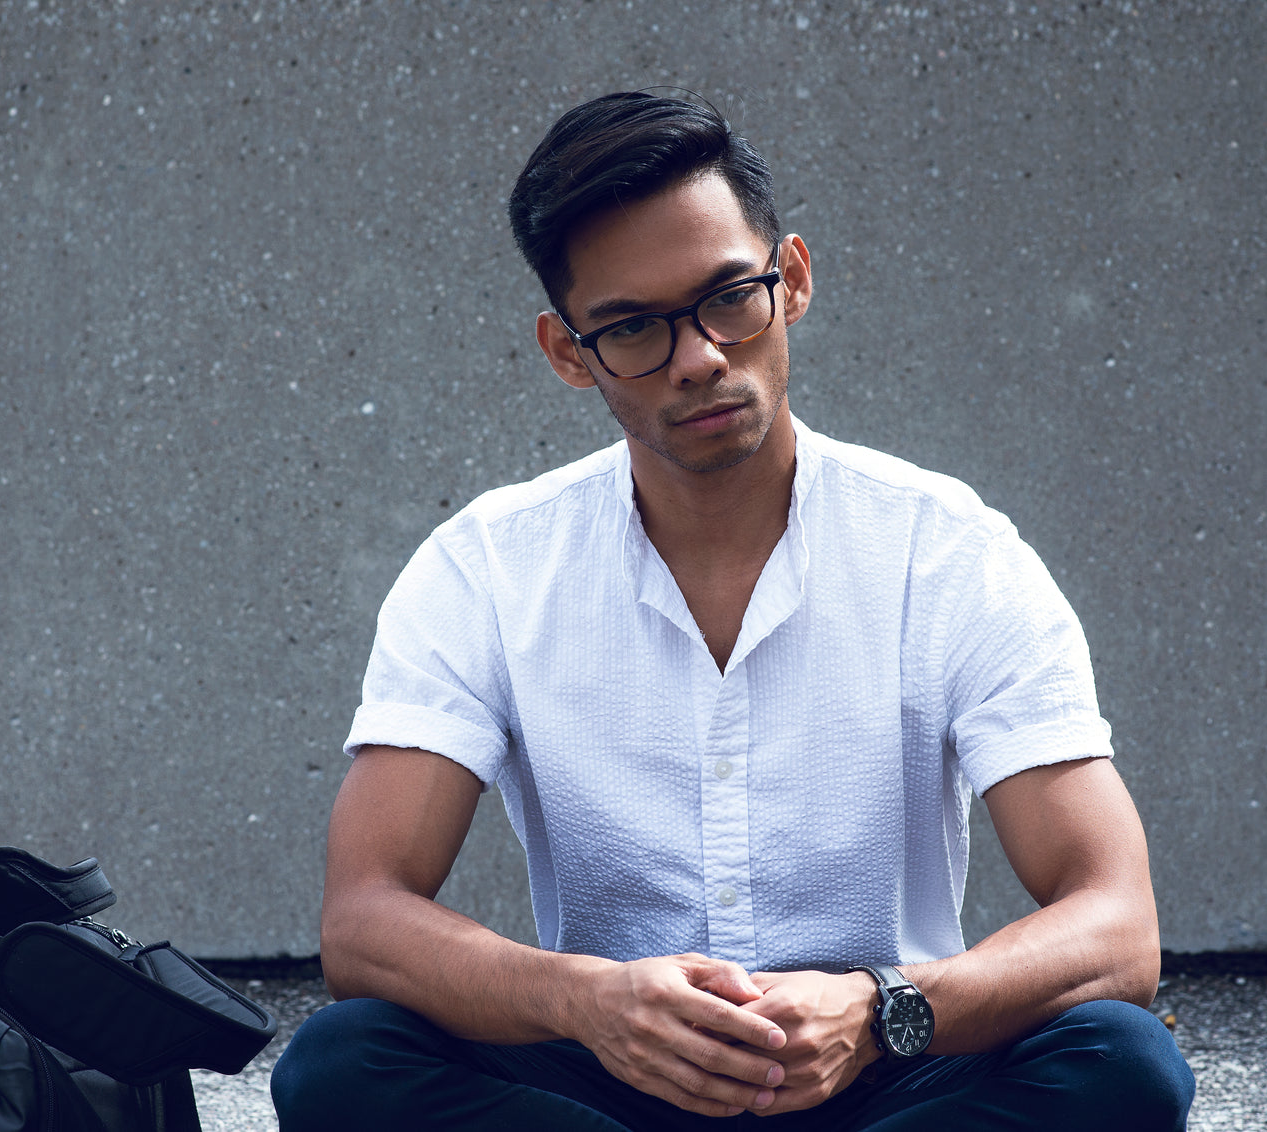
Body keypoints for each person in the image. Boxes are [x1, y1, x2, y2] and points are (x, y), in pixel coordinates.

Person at [271, 91, 1195, 1130]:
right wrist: (588, 998)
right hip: (609, 1078)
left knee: (1119, 1062)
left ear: (789, 279)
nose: (700, 356)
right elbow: (364, 919)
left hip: (883, 1072)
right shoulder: (486, 567)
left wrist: (879, 1004)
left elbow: (1114, 925)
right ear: (568, 351)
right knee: (342, 1063)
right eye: (632, 328)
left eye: (727, 297)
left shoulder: (947, 553)